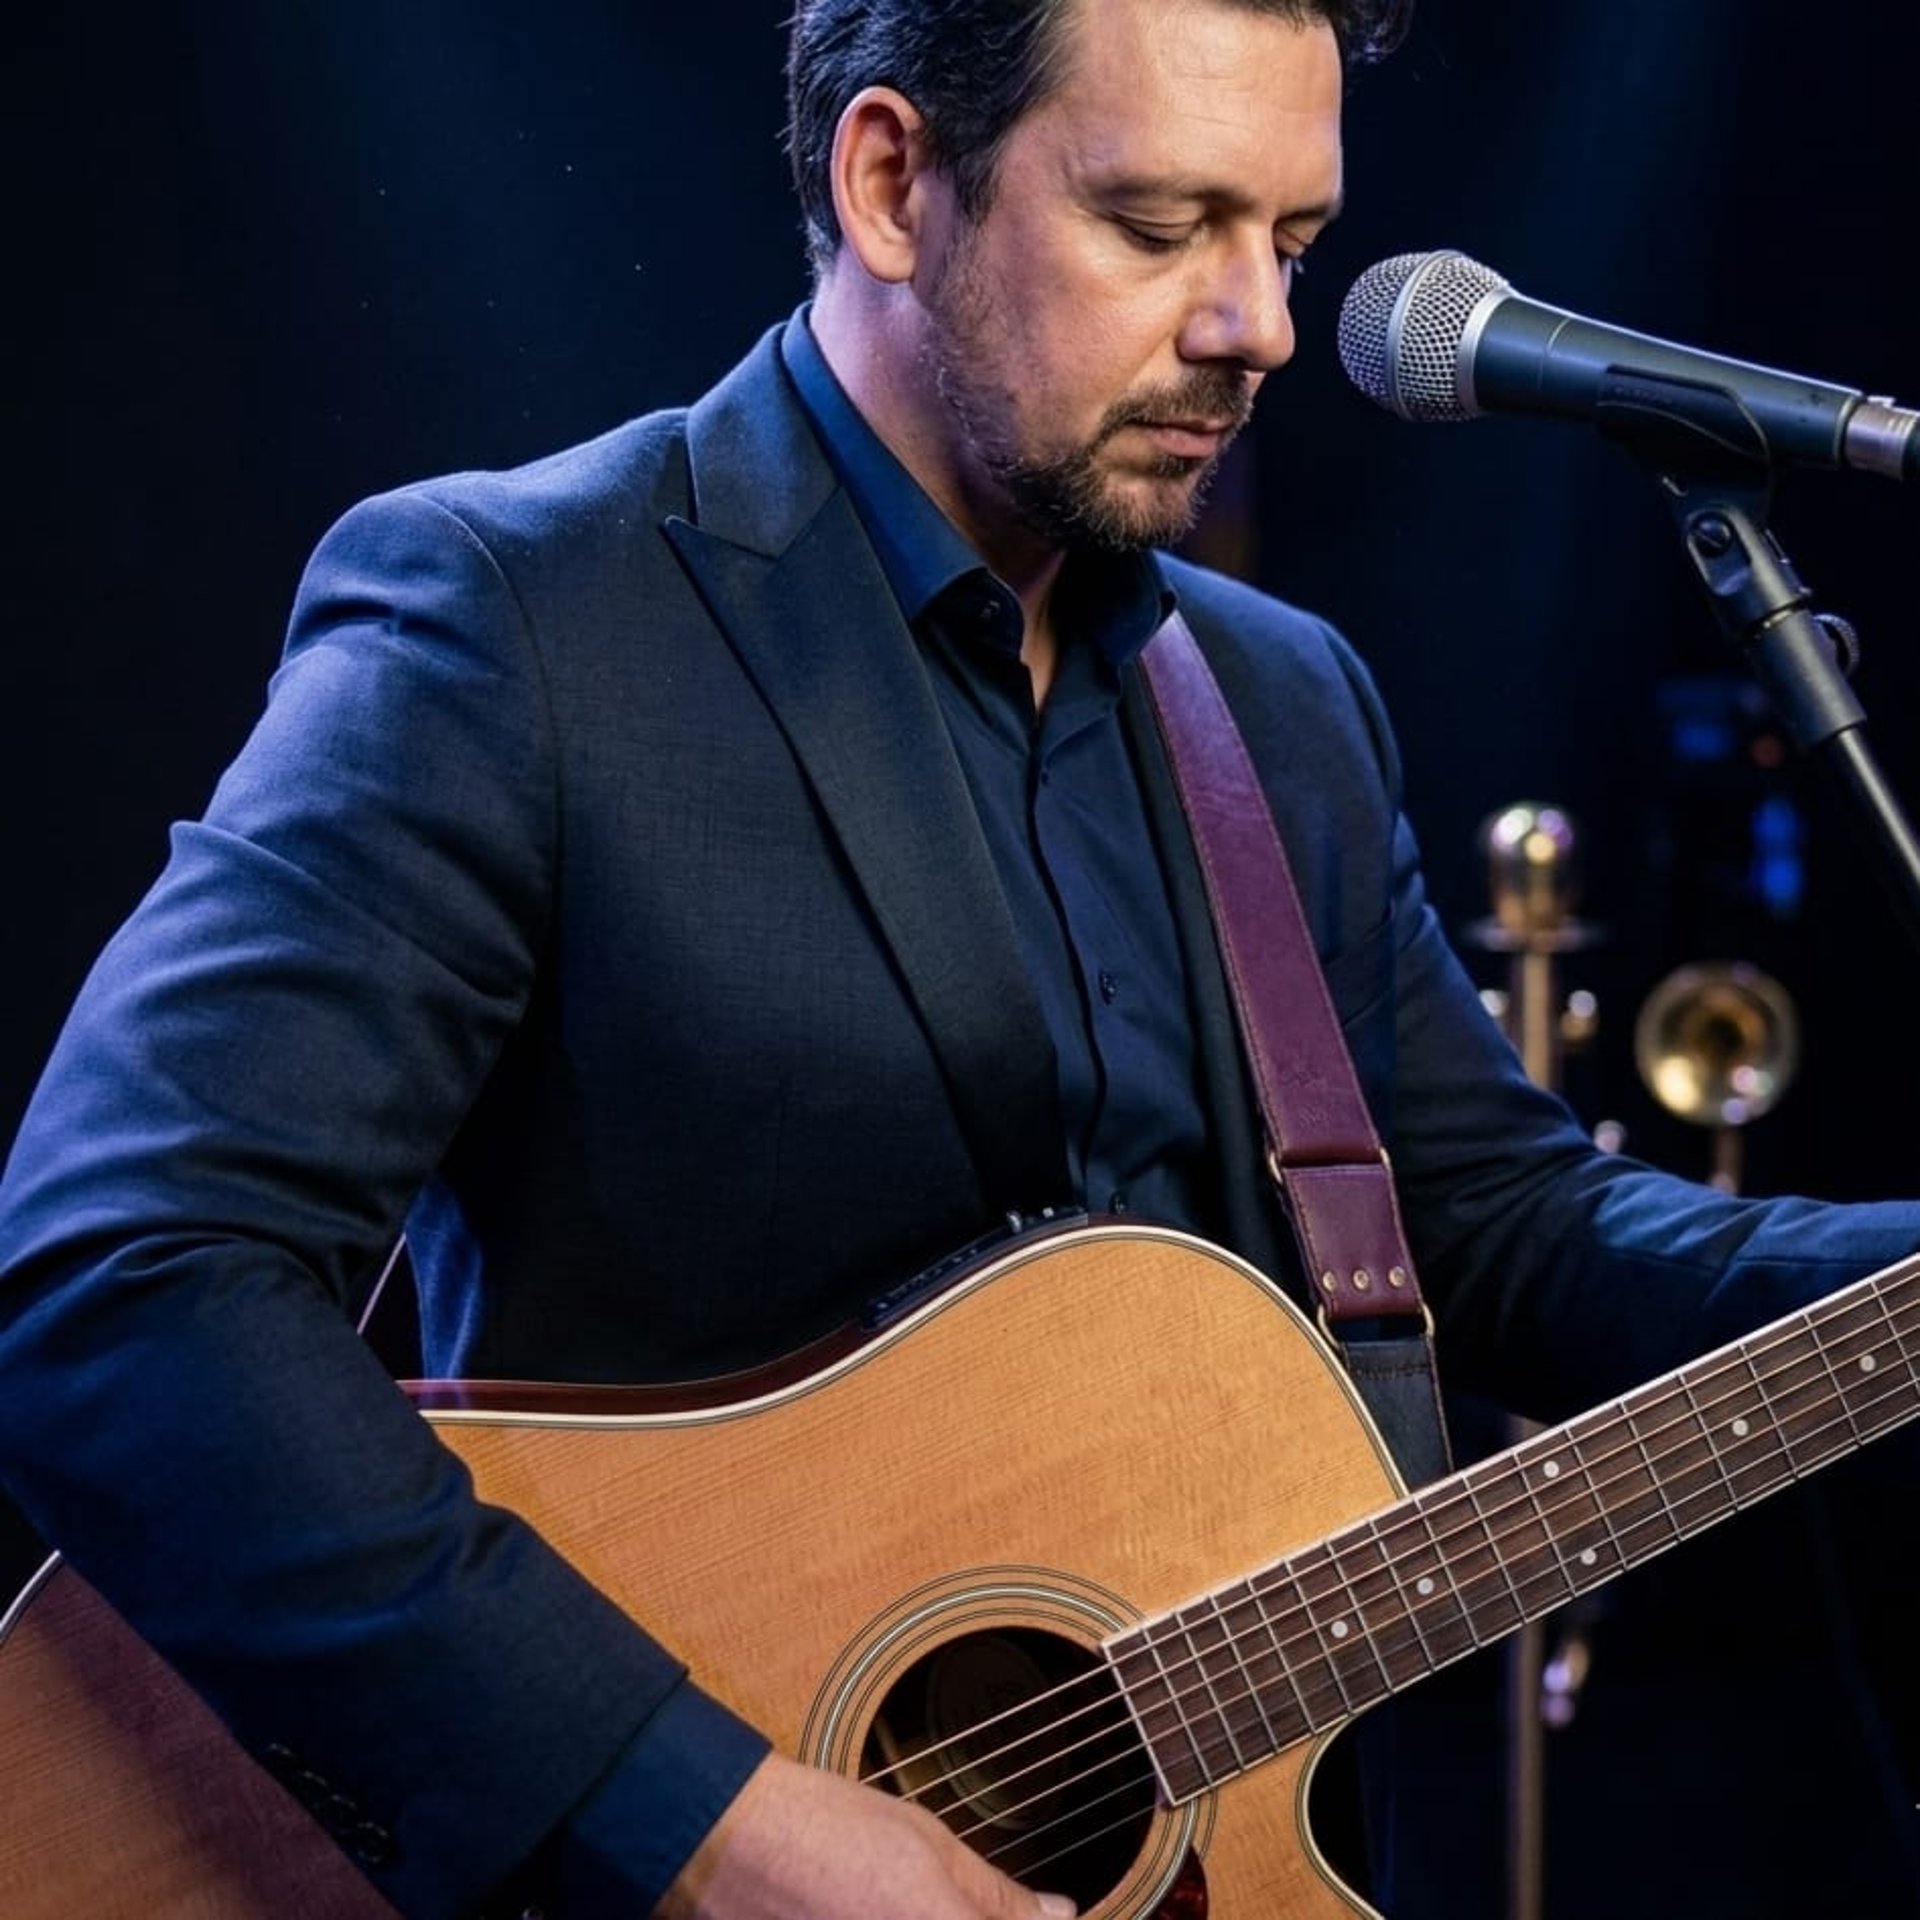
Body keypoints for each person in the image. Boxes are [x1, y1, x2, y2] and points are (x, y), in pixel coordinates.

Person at [1, 1, 1916, 1916]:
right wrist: (704, 1825)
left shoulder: (1286, 705)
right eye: (1164, 228)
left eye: (1295, 243)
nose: (1257, 324)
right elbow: (124, 1283)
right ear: (895, 179)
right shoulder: (517, 622)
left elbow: (1502, 1228)